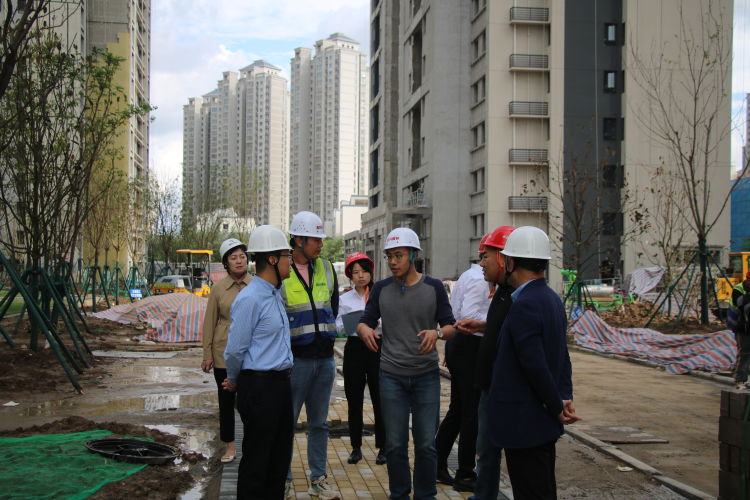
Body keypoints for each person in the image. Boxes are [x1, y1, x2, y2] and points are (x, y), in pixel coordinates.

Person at [357, 227, 457, 500]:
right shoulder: (380, 289)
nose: (392, 262)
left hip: (426, 376)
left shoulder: (433, 287)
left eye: (398, 255)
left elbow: (451, 326)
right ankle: (399, 494)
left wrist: (435, 333)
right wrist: (364, 329)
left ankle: (425, 495)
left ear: (413, 255)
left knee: (426, 444)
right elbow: (365, 320)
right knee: (395, 444)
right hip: (391, 377)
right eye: (389, 256)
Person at [487, 226, 580, 499]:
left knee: (531, 490)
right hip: (541, 422)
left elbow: (534, 364)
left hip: (525, 423)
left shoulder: (525, 304)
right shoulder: (550, 299)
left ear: (511, 262)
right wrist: (563, 396)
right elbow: (562, 357)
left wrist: (555, 405)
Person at [222, 225, 295, 499]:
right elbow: (234, 349)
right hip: (259, 387)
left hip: (280, 386)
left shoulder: (274, 295)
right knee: (257, 463)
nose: (290, 261)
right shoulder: (250, 298)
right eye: (287, 255)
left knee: (278, 461)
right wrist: (235, 379)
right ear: (273, 259)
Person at [281, 211, 340, 500]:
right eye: (316, 239)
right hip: (295, 362)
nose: (320, 245)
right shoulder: (282, 271)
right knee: (286, 423)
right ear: (299, 240)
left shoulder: (327, 268)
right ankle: (285, 481)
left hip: (325, 360)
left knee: (320, 423)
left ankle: (318, 480)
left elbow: (334, 308)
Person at [454, 226, 515, 500]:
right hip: (488, 383)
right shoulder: (502, 291)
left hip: (504, 389)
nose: (481, 263)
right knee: (486, 449)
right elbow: (500, 325)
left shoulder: (520, 297)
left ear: (503, 258)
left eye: (486, 257)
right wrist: (482, 324)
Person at [435, 237, 493, 491]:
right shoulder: (480, 279)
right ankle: (465, 473)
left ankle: (436, 463)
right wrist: (498, 319)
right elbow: (468, 315)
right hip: (470, 344)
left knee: (459, 411)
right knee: (470, 413)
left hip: (462, 344)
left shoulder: (469, 276)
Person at [201, 238, 250, 463]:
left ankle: (252, 444)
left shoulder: (257, 285)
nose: (239, 261)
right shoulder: (218, 289)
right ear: (226, 263)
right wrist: (207, 354)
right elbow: (209, 323)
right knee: (226, 402)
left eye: (242, 256)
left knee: (250, 401)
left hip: (251, 354)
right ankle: (229, 446)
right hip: (223, 354)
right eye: (233, 257)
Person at [337, 252, 386, 465]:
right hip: (355, 348)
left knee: (380, 398)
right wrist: (353, 324)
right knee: (354, 399)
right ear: (350, 275)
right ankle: (356, 447)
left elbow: (388, 320)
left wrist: (372, 324)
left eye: (364, 271)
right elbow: (338, 325)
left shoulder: (380, 294)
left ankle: (383, 447)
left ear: (370, 272)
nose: (361, 276)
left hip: (377, 346)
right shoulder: (344, 298)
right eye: (355, 272)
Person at [731, 271, 750, 389]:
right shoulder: (738, 290)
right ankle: (740, 379)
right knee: (745, 353)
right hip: (742, 327)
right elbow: (737, 305)